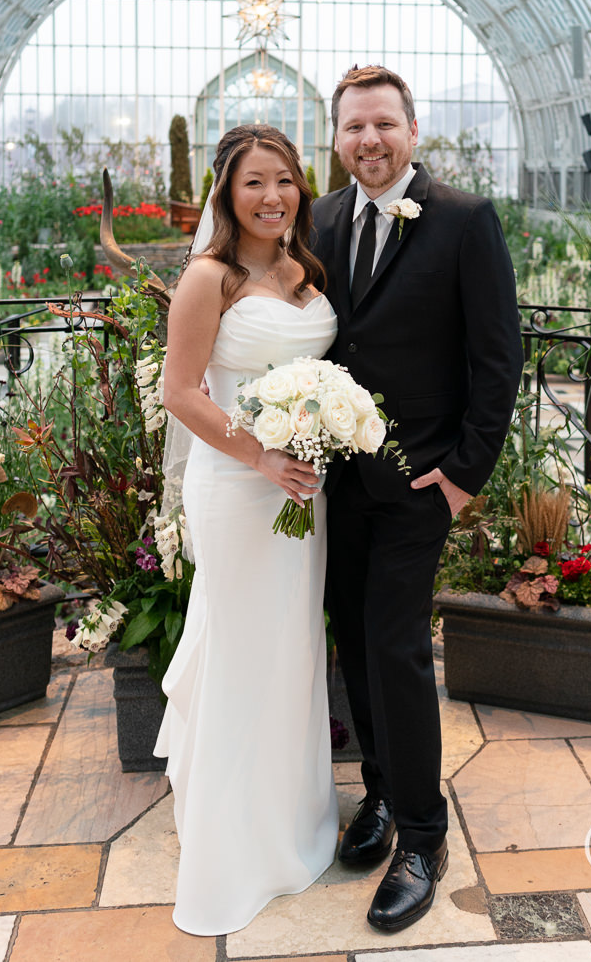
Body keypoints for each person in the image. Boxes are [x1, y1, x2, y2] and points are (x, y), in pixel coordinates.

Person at [312, 65, 523, 933]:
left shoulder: (464, 220)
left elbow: (497, 354)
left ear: (410, 129)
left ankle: (423, 838)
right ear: (336, 136)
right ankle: (380, 795)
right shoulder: (319, 219)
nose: (368, 140)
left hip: (418, 483)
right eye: (353, 127)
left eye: (383, 125)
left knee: (395, 646)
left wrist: (464, 478)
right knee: (354, 643)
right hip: (333, 482)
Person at [157, 123, 339, 936]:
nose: (273, 197)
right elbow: (181, 391)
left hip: (304, 486)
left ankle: (287, 819)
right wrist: (260, 455)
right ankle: (233, 848)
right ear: (226, 195)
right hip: (238, 485)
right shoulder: (209, 277)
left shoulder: (306, 269)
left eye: (285, 181)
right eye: (254, 183)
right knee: (242, 647)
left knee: (292, 647)